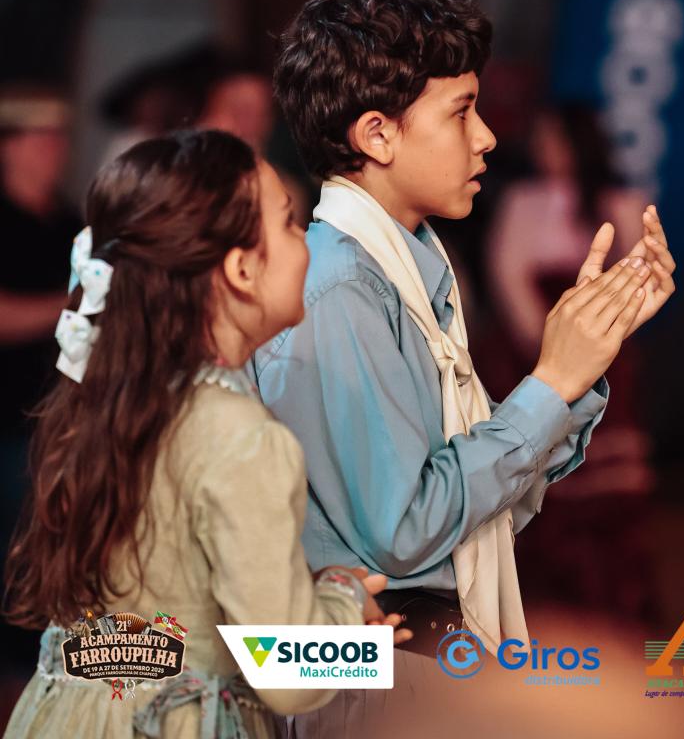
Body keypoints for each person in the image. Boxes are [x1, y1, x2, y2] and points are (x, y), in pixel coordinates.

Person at [252, 0, 676, 738]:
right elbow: (408, 529)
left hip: (415, 661)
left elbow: (486, 499)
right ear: (378, 136)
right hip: (369, 671)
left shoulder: (410, 269)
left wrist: (581, 364)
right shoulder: (343, 289)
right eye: (461, 112)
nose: (486, 138)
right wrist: (551, 383)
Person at [4, 130, 409, 739]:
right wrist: (347, 602)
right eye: (289, 222)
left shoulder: (108, 401)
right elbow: (286, 676)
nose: (305, 242)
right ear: (242, 269)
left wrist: (344, 639)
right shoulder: (242, 436)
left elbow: (160, 626)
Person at [486, 102, 661, 617]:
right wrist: (547, 344)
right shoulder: (523, 200)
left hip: (606, 353)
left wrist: (602, 339)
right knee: (536, 472)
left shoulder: (623, 204)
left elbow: (639, 282)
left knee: (605, 486)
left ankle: (612, 606)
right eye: (540, 140)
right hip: (535, 352)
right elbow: (506, 271)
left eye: (555, 139)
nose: (546, 150)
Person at [0, 86, 83, 691]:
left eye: (59, 136)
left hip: (63, 421)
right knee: (12, 550)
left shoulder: (68, 220)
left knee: (52, 551)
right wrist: (73, 303)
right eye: (39, 136)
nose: (54, 148)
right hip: (9, 421)